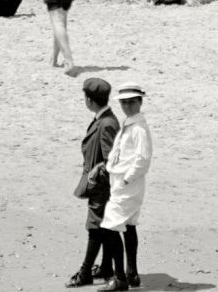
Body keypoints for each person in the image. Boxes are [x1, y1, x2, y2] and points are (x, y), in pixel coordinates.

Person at [99, 84, 152, 292]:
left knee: (110, 227)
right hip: (121, 180)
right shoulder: (131, 123)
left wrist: (127, 179)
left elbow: (143, 159)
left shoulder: (138, 127)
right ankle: (132, 273)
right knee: (129, 225)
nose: (127, 106)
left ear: (140, 102)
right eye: (124, 102)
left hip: (127, 183)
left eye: (131, 102)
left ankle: (119, 277)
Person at [69, 77, 122, 288]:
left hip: (101, 188)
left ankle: (85, 273)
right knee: (104, 228)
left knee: (95, 227)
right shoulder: (105, 118)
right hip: (101, 186)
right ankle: (106, 267)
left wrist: (95, 175)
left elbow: (110, 160)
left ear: (90, 100)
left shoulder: (107, 123)